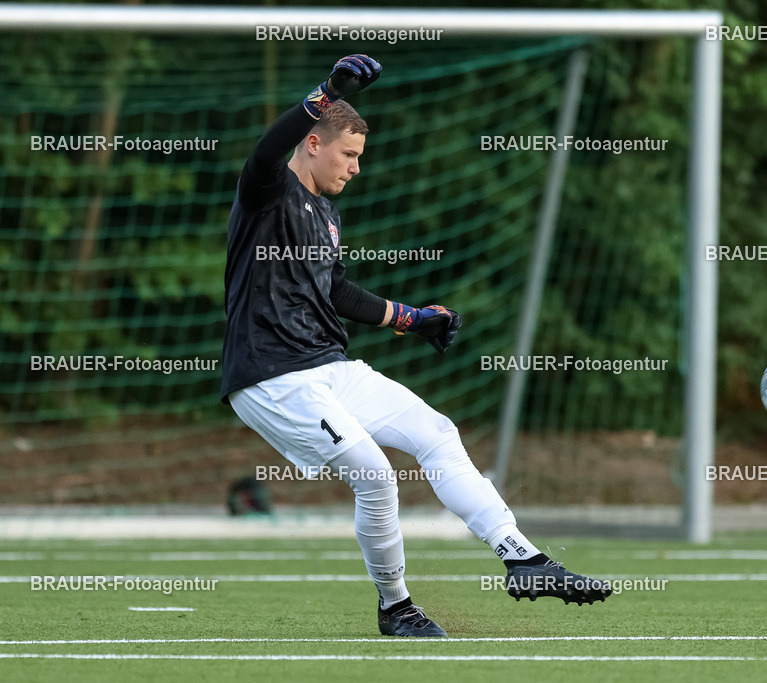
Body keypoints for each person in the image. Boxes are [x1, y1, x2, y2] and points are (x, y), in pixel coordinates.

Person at [221, 55, 611, 637]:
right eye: (347, 155)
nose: (355, 168)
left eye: (359, 157)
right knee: (375, 476)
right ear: (311, 143)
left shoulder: (325, 215)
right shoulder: (268, 190)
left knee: (438, 434)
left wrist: (412, 319)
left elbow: (335, 291)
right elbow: (263, 150)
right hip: (272, 376)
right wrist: (326, 93)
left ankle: (523, 559)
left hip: (329, 366)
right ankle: (396, 608)